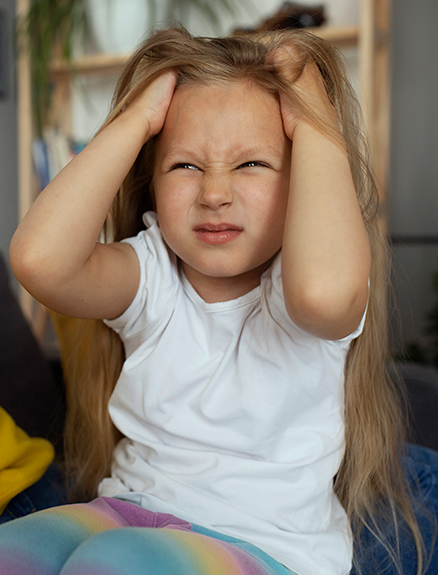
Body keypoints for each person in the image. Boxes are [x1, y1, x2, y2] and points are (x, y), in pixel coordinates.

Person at [3, 27, 432, 575]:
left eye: (252, 164)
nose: (213, 194)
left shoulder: (309, 281)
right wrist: (137, 119)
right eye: (184, 165)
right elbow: (39, 261)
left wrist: (314, 114)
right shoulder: (153, 273)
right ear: (151, 178)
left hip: (262, 544)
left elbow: (322, 292)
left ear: (305, 175)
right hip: (128, 510)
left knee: (114, 561)